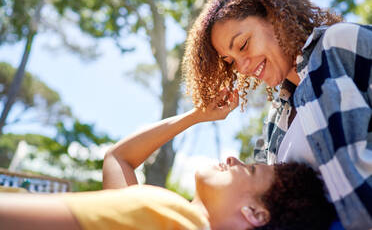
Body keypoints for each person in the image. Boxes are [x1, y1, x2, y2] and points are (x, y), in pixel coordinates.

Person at [182, 0, 372, 229]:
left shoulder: (336, 45)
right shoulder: (274, 124)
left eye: (243, 45)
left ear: (274, 18)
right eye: (231, 61)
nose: (242, 67)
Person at [0, 92, 336, 230]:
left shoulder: (172, 219)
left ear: (255, 213)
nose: (233, 158)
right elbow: (120, 159)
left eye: (249, 169)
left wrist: (197, 117)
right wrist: (197, 115)